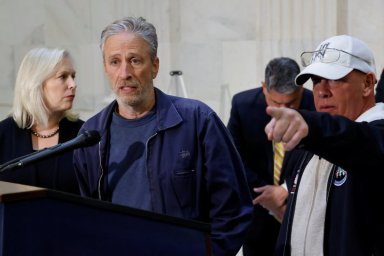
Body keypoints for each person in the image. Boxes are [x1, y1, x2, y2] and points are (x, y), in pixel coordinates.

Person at [73, 16, 253, 256]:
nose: (124, 72)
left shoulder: (198, 121)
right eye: (114, 62)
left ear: (155, 66)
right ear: (105, 68)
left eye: (134, 60)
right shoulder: (90, 136)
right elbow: (88, 219)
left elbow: (233, 210)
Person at [265, 35, 384, 255]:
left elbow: (359, 141)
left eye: (334, 79)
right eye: (316, 80)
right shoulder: (310, 141)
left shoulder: (374, 136)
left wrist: (311, 126)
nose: (322, 90)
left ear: (367, 84)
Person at [227, 57, 315, 256]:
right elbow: (234, 159)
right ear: (264, 88)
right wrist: (269, 199)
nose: (284, 111)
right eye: (276, 103)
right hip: (257, 219)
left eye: (291, 104)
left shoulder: (317, 106)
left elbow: (321, 159)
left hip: (302, 216)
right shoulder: (243, 105)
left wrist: (286, 192)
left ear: (301, 89)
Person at [0, 47, 84, 194]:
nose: (73, 84)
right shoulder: (4, 134)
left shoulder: (83, 135)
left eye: (73, 76)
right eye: (63, 76)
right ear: (36, 83)